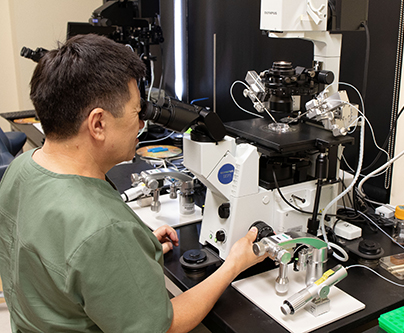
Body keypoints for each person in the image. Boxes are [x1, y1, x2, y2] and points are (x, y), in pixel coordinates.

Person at [0, 34, 264, 332]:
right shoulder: (103, 229)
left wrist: (133, 254)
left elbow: (59, 259)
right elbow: (166, 326)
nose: (141, 125)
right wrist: (234, 264)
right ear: (98, 124)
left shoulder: (21, 168)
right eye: (137, 113)